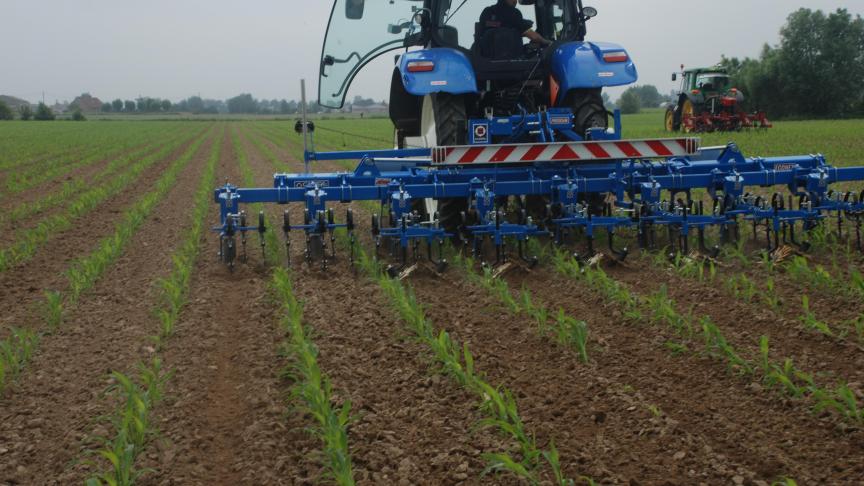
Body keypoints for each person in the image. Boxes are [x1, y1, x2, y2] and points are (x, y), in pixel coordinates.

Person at [478, 0, 552, 46]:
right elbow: (534, 37)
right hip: (511, 61)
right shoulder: (514, 13)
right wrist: (546, 42)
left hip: (486, 61)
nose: (516, 2)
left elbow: (499, 27)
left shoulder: (486, 12)